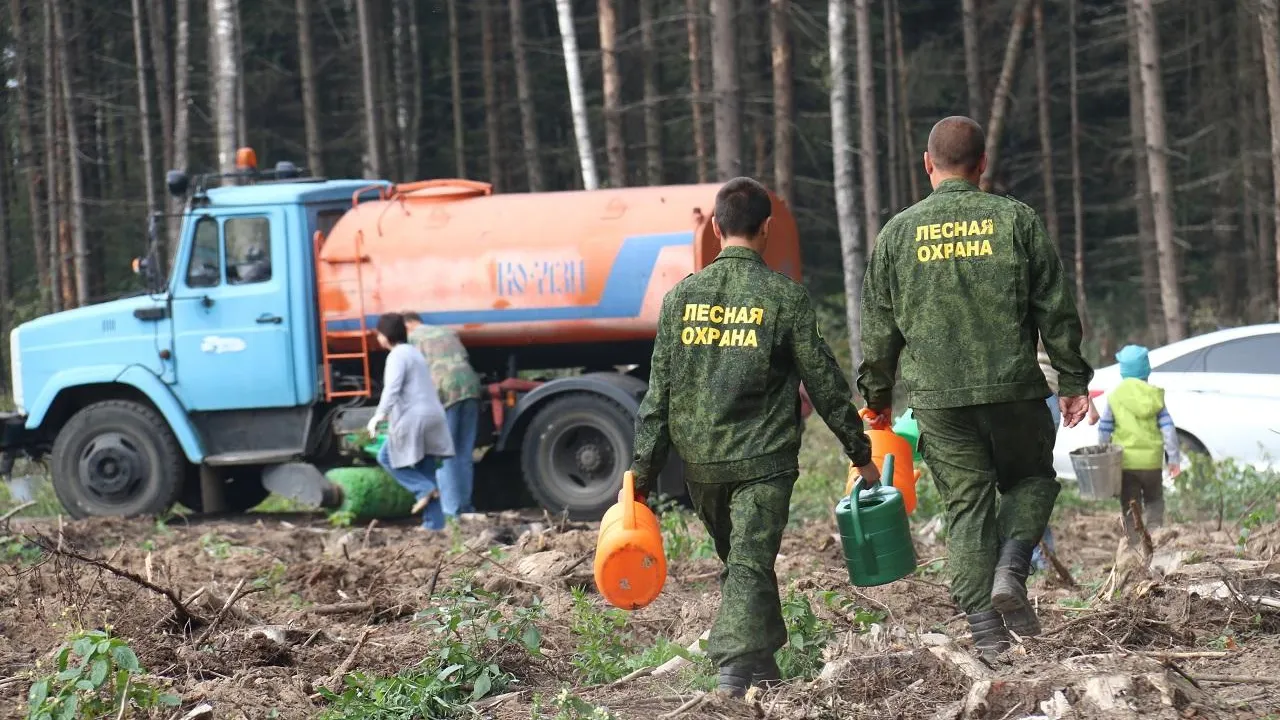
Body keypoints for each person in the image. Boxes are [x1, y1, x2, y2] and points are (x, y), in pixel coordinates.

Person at [631, 177, 880, 698]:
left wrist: (642, 477)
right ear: (767, 228)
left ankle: (763, 669)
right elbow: (826, 383)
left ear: (716, 228)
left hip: (701, 467)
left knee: (744, 561)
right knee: (747, 563)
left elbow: (658, 398)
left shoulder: (680, 300)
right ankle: (731, 675)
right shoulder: (783, 298)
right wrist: (860, 452)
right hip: (762, 461)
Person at [857, 116, 1093, 659]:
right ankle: (1012, 567)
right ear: (982, 164)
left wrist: (876, 401)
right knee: (1031, 478)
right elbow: (1055, 309)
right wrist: (1073, 380)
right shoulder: (1017, 220)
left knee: (967, 506)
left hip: (939, 403)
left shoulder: (897, 234)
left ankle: (985, 630)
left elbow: (878, 332)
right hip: (1013, 390)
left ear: (927, 163)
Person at [367, 313, 456, 530]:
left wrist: (379, 415)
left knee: (386, 457)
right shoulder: (414, 353)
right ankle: (434, 525)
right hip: (433, 416)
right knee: (426, 468)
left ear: (385, 336)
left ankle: (423, 490)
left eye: (379, 334)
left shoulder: (396, 355)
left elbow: (392, 388)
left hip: (413, 418)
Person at [401, 312, 483, 518]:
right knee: (464, 453)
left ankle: (450, 512)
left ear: (407, 325)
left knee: (443, 455)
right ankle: (465, 507)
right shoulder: (447, 331)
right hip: (470, 387)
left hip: (445, 391)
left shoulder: (413, 339)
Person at [1098, 344, 1180, 543]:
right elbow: (1168, 429)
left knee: (1129, 504)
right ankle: (1155, 535)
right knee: (1154, 501)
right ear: (1147, 370)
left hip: (1125, 464)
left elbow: (1104, 429)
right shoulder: (1154, 396)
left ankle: (1133, 542)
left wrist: (1103, 455)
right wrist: (1174, 459)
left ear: (1122, 370)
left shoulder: (1115, 396)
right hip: (1152, 463)